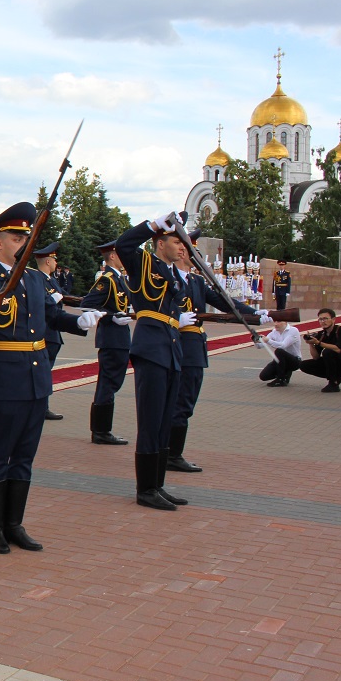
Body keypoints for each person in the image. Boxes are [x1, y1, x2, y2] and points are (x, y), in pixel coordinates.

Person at [0, 203, 97, 553]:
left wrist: (78, 322)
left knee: (25, 454)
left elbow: (51, 315)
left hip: (37, 377)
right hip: (7, 376)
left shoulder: (37, 279)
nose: (22, 242)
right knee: (0, 453)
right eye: (15, 236)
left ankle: (14, 524)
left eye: (25, 236)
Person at [169, 228, 265, 473]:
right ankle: (171, 454)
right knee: (179, 402)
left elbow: (224, 301)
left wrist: (255, 314)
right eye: (193, 251)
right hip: (178, 347)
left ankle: (172, 452)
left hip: (195, 347)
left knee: (187, 402)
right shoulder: (167, 279)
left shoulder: (196, 281)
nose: (197, 255)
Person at [114, 212, 188, 511]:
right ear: (160, 243)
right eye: (176, 240)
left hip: (170, 348)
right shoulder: (143, 263)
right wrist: (153, 225)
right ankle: (145, 488)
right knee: (150, 422)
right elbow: (124, 244)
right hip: (151, 348)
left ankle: (157, 484)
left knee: (164, 421)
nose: (182, 247)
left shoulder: (171, 273)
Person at [82, 242, 133, 445]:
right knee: (107, 384)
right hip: (111, 338)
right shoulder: (108, 280)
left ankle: (102, 430)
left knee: (112, 383)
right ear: (112, 256)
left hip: (120, 338)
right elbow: (87, 304)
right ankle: (101, 431)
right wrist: (111, 317)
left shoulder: (120, 279)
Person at [34, 242, 67, 421]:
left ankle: (42, 406)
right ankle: (41, 407)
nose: (56, 263)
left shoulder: (50, 279)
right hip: (44, 332)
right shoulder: (37, 279)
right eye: (54, 259)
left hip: (53, 331)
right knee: (42, 373)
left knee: (46, 372)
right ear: (48, 261)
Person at [298, 308, 341, 392]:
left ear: (333, 319)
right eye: (320, 319)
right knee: (304, 365)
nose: (323, 321)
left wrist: (318, 343)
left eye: (325, 318)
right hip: (333, 362)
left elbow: (338, 349)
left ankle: (333, 383)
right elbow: (316, 357)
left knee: (327, 352)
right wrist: (311, 343)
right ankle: (337, 377)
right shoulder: (322, 334)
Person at [258, 320, 301, 386]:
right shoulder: (274, 332)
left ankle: (281, 379)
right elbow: (260, 346)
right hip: (280, 361)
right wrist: (257, 341)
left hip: (294, 361)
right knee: (264, 376)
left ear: (286, 322)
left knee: (279, 351)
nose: (275, 324)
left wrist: (268, 340)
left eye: (278, 322)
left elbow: (283, 345)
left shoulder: (293, 331)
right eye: (275, 322)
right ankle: (285, 373)